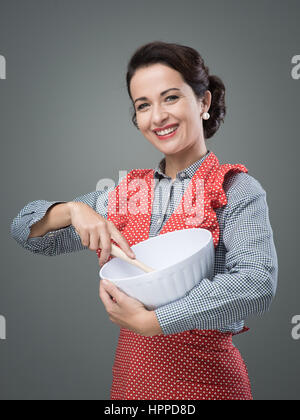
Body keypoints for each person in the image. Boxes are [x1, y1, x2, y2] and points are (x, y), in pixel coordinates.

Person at [10, 41, 278, 400]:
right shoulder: (126, 194)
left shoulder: (237, 189)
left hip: (207, 385)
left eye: (170, 98)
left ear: (203, 102)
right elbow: (27, 233)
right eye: (143, 105)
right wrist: (73, 210)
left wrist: (154, 323)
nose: (157, 117)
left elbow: (257, 283)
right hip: (131, 385)